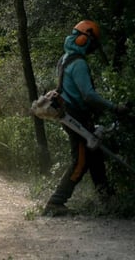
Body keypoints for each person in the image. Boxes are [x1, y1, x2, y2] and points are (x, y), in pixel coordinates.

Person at [43, 20, 129, 216]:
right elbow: (88, 95)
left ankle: (107, 200)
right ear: (83, 39)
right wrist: (114, 107)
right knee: (81, 160)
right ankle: (55, 202)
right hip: (75, 117)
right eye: (91, 43)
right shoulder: (79, 63)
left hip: (72, 114)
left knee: (95, 156)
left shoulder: (65, 58)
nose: (91, 48)